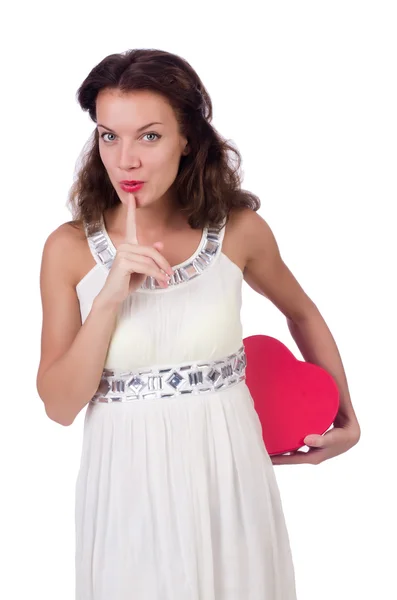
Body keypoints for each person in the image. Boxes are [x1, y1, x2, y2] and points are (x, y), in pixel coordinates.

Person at [36, 48, 360, 600]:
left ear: (188, 137)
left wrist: (344, 416)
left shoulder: (240, 231)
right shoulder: (68, 250)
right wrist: (112, 293)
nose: (126, 160)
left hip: (229, 476)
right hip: (125, 489)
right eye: (109, 136)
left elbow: (301, 311)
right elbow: (60, 405)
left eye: (149, 136)